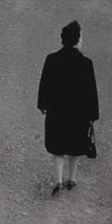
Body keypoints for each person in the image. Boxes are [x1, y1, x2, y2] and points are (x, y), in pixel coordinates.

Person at [37, 20, 99, 196]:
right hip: (78, 113)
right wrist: (93, 114)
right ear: (77, 40)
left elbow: (45, 85)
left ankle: (57, 181)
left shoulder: (52, 59)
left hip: (57, 111)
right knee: (75, 146)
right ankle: (72, 178)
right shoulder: (86, 63)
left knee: (57, 148)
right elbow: (91, 91)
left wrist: (42, 105)